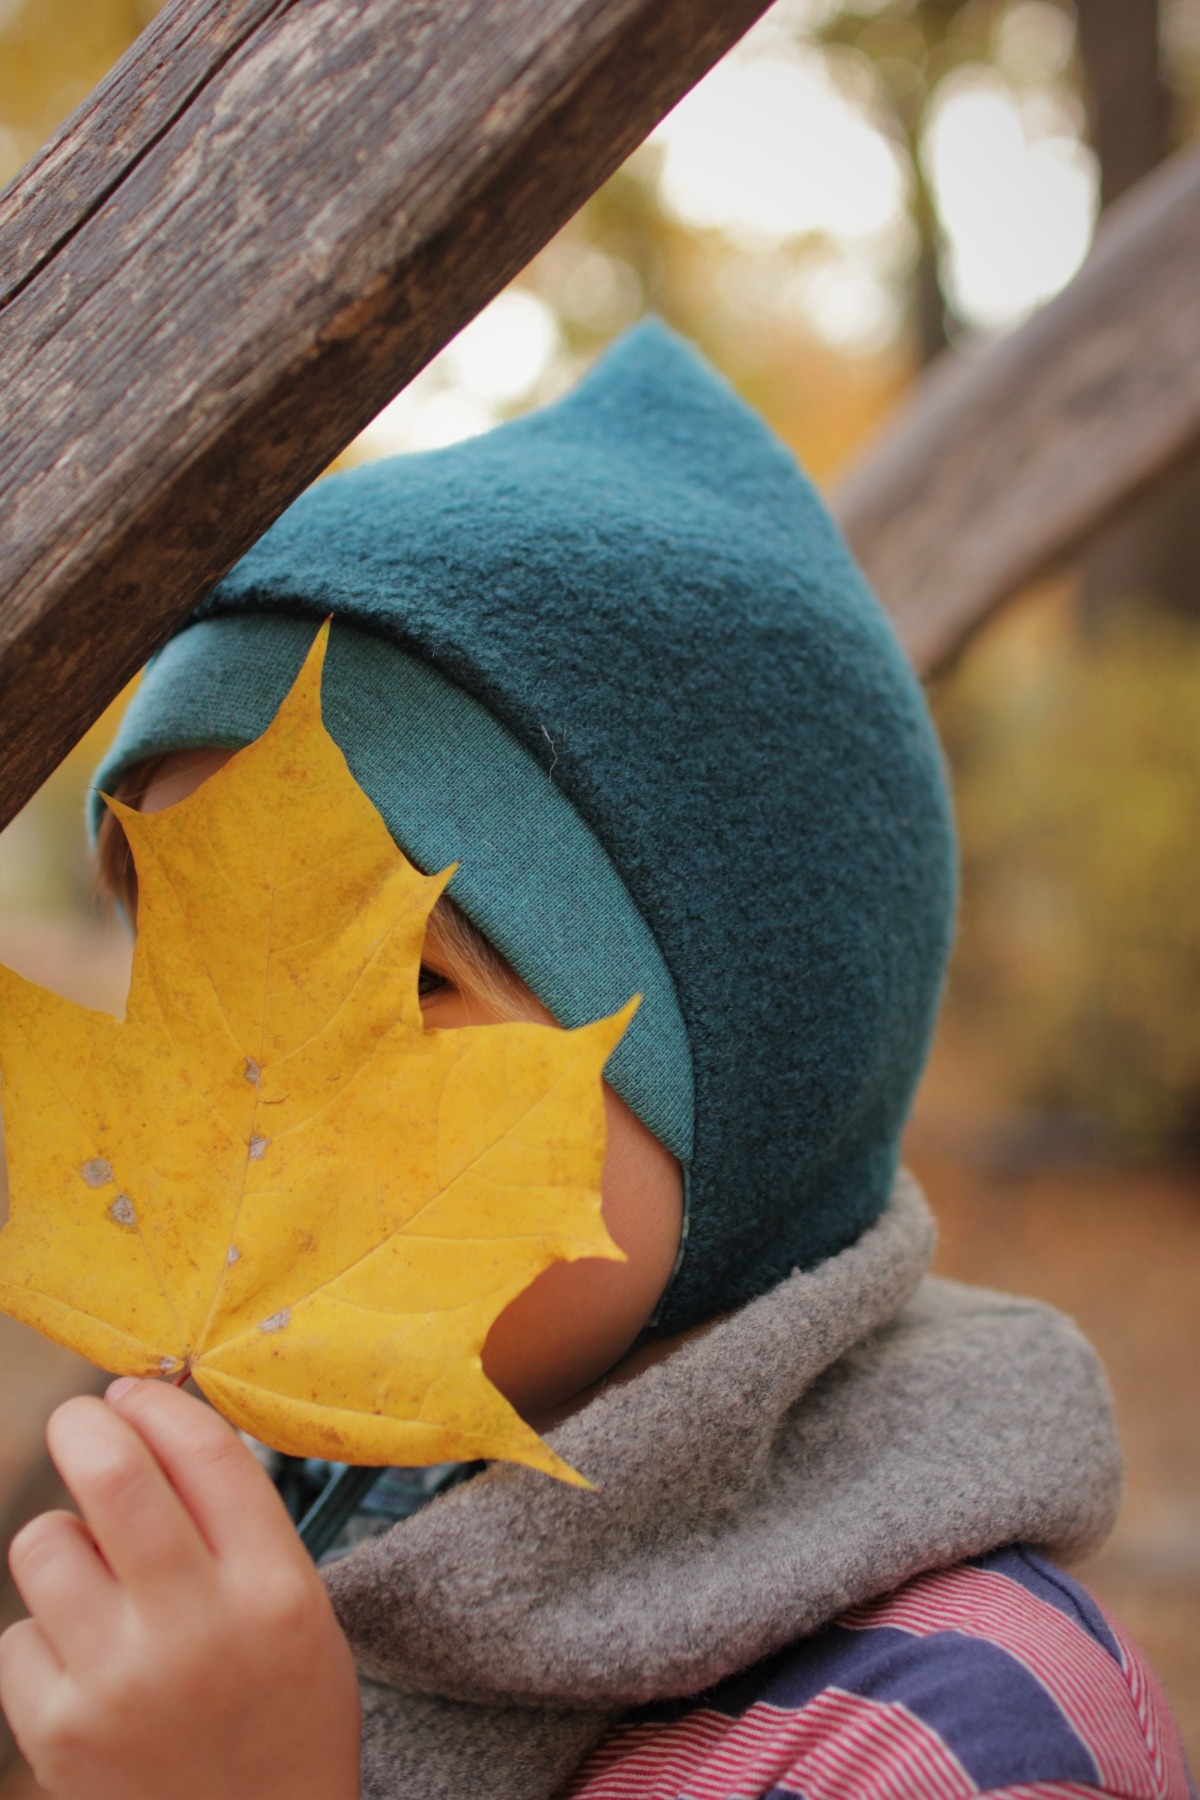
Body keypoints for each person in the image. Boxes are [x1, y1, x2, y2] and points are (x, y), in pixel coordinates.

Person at [1, 324, 1193, 1800]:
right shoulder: (253, 1567)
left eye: (412, 979)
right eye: (178, 976)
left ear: (748, 1093)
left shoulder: (950, 1738)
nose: (255, 1096)